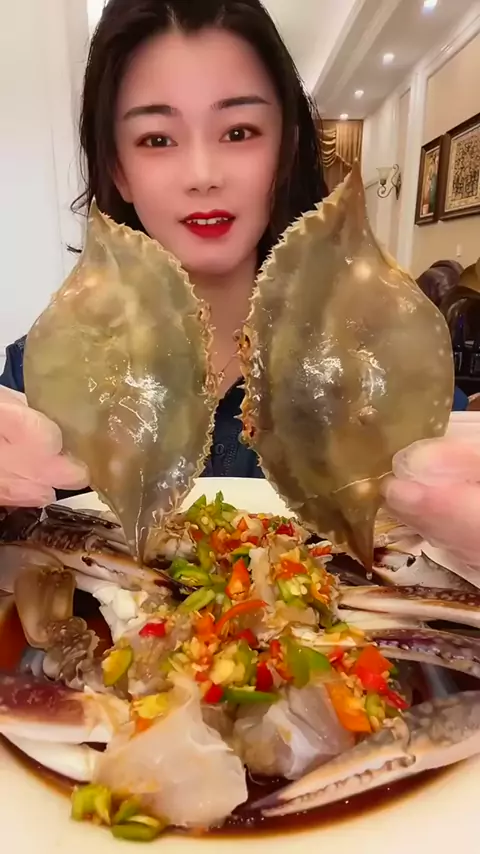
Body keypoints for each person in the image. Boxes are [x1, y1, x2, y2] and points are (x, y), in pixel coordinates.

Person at [0, 0, 474, 561]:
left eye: (239, 131)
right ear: (117, 168)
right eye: (157, 139)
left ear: (286, 148)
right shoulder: (38, 380)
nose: (203, 175)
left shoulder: (390, 365)